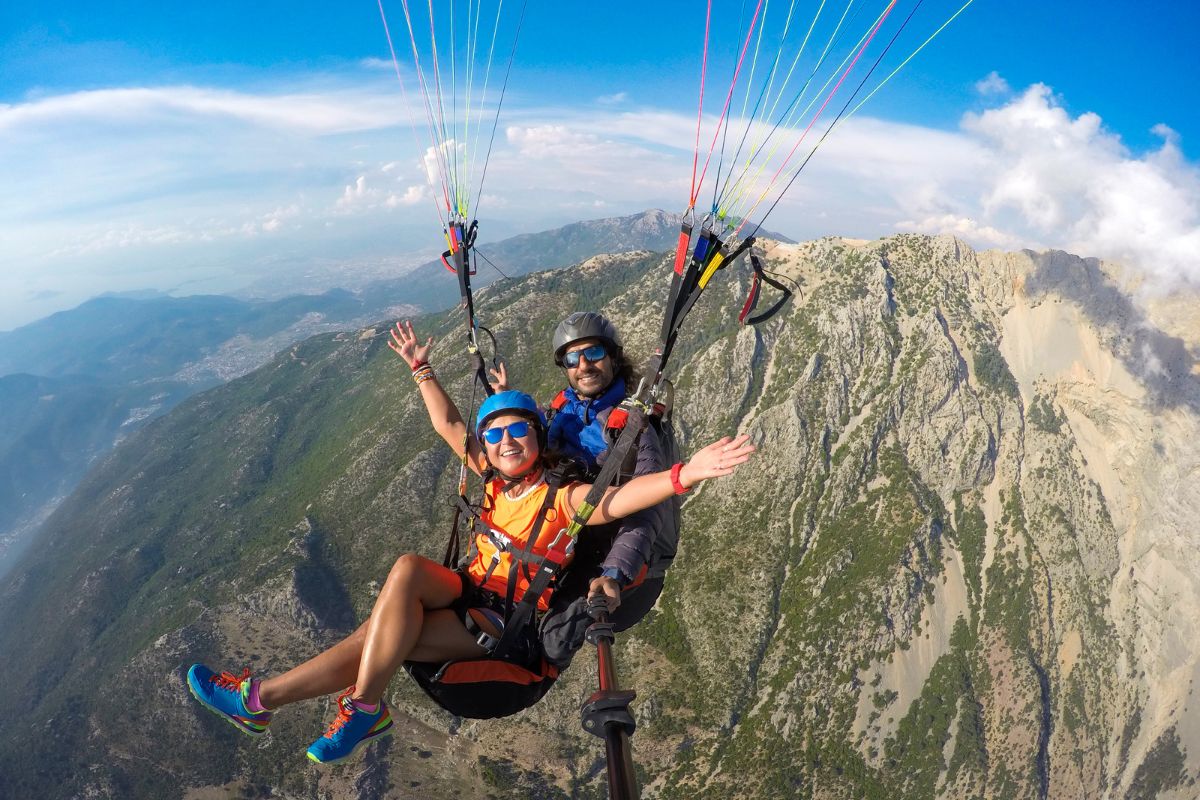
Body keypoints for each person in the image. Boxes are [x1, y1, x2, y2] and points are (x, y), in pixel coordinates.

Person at [185, 320, 754, 765]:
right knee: (404, 574)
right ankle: (291, 703)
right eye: (497, 434)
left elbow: (621, 502)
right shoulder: (491, 476)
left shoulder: (562, 495)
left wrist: (686, 474)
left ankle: (286, 702)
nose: (506, 441)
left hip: (499, 621)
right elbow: (450, 426)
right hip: (468, 587)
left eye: (518, 431)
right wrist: (422, 370)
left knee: (381, 639)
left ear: (538, 437)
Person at [490, 312, 673, 666]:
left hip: (606, 548)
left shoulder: (633, 429)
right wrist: (506, 403)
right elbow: (525, 444)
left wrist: (613, 574)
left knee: (554, 645)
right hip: (564, 532)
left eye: (593, 353)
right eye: (573, 358)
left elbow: (648, 509)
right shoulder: (562, 411)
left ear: (613, 357)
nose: (583, 365)